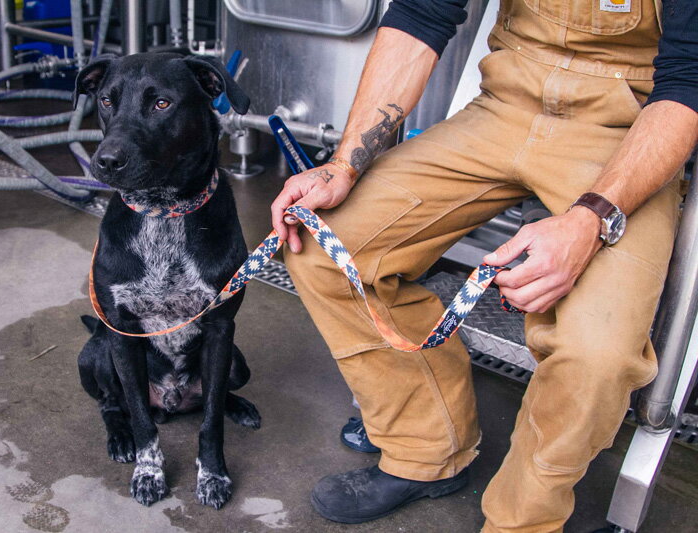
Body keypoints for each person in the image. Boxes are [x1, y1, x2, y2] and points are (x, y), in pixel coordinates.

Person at [270, 0, 698, 530]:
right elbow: (421, 15)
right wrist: (342, 164)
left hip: (629, 130)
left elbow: (689, 78)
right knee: (320, 246)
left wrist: (590, 222)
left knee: (599, 354)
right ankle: (427, 450)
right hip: (504, 105)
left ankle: (522, 522)